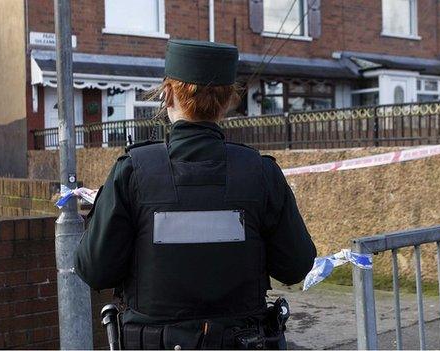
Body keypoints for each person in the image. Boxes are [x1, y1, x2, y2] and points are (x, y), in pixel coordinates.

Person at [74, 39, 317, 350]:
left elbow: (94, 270)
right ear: (229, 99)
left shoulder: (133, 172)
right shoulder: (260, 173)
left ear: (168, 92)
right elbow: (296, 266)